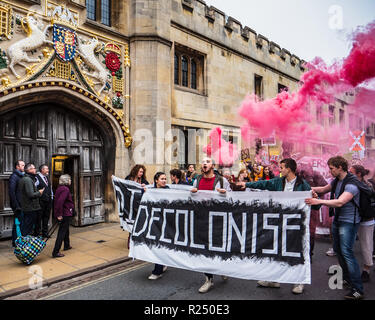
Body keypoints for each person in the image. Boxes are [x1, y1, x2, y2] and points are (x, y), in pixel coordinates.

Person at [237, 158, 316, 295]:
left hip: (296, 224)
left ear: (289, 169)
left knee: (298, 251)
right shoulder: (278, 182)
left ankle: (299, 281)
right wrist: (247, 184)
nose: (279, 170)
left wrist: (314, 197)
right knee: (277, 250)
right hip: (280, 222)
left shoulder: (303, 185)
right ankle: (274, 279)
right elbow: (263, 184)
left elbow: (316, 205)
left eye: (282, 167)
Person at [305, 156, 364, 300]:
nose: (329, 171)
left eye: (331, 168)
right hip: (338, 220)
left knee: (347, 253)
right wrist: (305, 188)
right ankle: (348, 279)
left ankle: (358, 289)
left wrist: (317, 200)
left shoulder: (352, 184)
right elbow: (324, 189)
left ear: (340, 167)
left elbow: (340, 202)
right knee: (338, 250)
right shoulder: (337, 180)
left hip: (349, 222)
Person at [191, 157, 231, 293]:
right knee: (204, 249)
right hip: (201, 219)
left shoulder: (221, 180)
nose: (204, 164)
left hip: (217, 220)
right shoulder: (197, 179)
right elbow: (192, 197)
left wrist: (226, 194)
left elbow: (232, 198)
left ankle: (221, 267)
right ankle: (208, 279)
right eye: (202, 162)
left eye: (207, 162)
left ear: (212, 165)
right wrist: (192, 193)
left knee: (217, 248)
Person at [349, 164, 374, 283]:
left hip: (366, 220)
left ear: (358, 174)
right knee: (346, 246)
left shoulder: (367, 185)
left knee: (366, 246)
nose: (349, 174)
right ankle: (343, 269)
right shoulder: (354, 184)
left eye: (351, 172)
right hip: (355, 218)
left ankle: (366, 270)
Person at [298, 164, 328, 258]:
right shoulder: (297, 174)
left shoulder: (317, 175)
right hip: (299, 207)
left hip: (312, 207)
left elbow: (325, 188)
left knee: (310, 231)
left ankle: (309, 254)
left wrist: (315, 196)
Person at [147, 172, 169, 280]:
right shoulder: (150, 190)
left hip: (165, 223)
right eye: (162, 179)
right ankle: (163, 263)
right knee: (157, 245)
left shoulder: (168, 190)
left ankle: (157, 271)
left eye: (165, 179)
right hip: (154, 222)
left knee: (159, 245)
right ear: (156, 180)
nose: (164, 180)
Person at [18, 163, 44, 237]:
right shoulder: (27, 179)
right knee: (27, 228)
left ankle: (26, 243)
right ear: (29, 170)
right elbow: (31, 194)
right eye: (34, 168)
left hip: (30, 207)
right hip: (30, 208)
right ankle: (24, 245)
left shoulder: (28, 178)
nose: (35, 169)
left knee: (28, 227)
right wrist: (39, 192)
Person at [52, 174, 74, 258]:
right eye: (69, 179)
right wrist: (59, 214)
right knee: (61, 232)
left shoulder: (60, 188)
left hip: (65, 212)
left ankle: (67, 245)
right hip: (65, 213)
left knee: (66, 229)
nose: (70, 181)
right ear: (66, 181)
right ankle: (55, 251)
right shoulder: (65, 189)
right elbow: (59, 202)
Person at [9, 160, 25, 247]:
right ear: (17, 167)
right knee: (17, 223)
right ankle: (15, 242)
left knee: (21, 223)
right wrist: (16, 206)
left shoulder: (21, 176)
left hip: (23, 204)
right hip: (18, 205)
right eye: (22, 165)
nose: (24, 167)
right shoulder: (14, 177)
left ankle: (19, 241)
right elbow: (12, 192)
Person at [35, 164, 53, 238]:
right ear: (42, 170)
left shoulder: (46, 177)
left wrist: (52, 197)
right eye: (46, 169)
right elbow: (34, 188)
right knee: (39, 218)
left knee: (46, 217)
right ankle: (37, 234)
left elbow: (50, 188)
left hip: (48, 201)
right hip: (40, 201)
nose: (48, 170)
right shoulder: (37, 178)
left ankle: (45, 233)